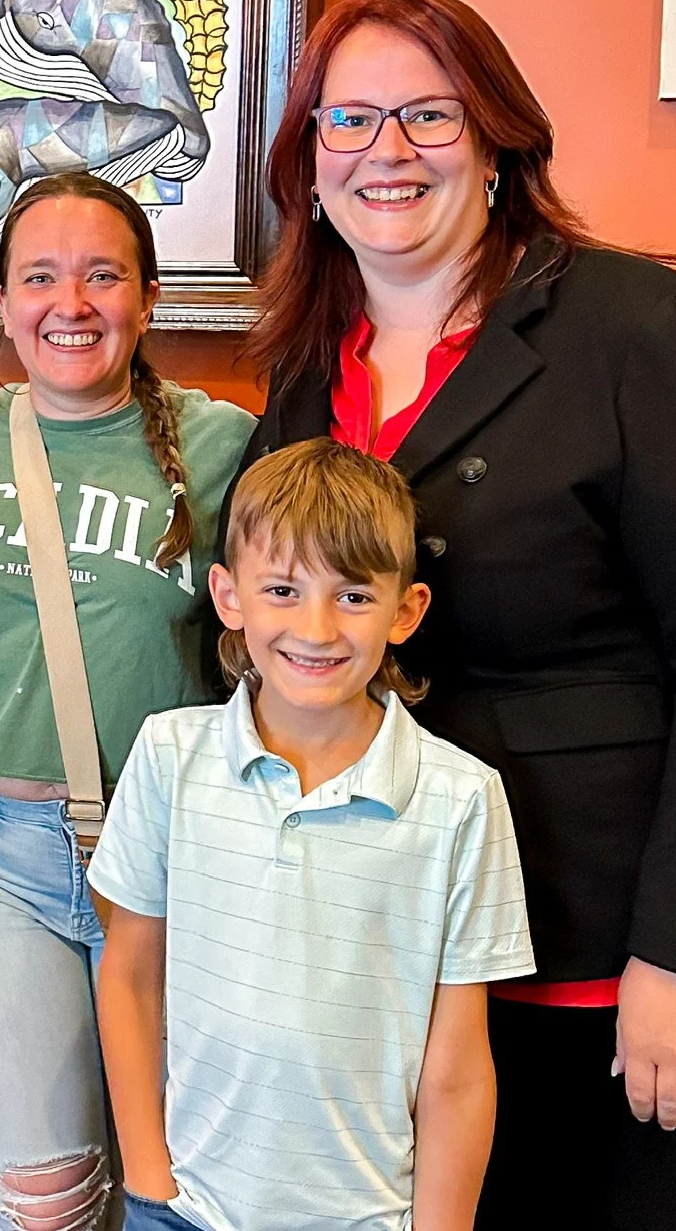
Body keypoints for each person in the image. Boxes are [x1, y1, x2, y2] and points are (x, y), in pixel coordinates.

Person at [236, 0, 676, 1229]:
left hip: (626, 950)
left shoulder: (642, 329)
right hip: (414, 950)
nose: (383, 152)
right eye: (344, 121)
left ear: (502, 144)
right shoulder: (305, 369)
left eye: (428, 116)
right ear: (305, 166)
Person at [0, 172, 254, 1231]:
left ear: (146, 295)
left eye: (100, 276)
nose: (68, 304)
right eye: (38, 277)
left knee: (178, 1193)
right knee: (40, 1204)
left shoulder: (222, 446)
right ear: (1, 302)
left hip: (174, 864)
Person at [93, 438, 533, 1231]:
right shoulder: (168, 757)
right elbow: (129, 976)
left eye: (355, 597)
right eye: (283, 590)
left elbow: (460, 1065)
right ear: (228, 597)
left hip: (369, 1216)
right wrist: (148, 1175)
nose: (317, 627)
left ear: (406, 610)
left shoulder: (462, 801)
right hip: (184, 1206)